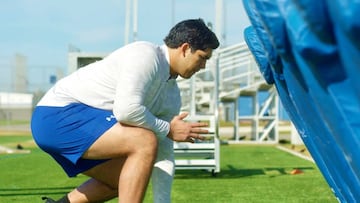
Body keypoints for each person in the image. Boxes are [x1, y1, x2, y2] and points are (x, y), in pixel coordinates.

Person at [31, 18, 219, 203]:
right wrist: (168, 129)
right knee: (144, 141)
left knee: (127, 179)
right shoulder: (147, 55)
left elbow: (164, 152)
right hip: (56, 115)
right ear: (185, 48)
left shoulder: (172, 94)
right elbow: (126, 111)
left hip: (74, 119)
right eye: (203, 58)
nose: (203, 66)